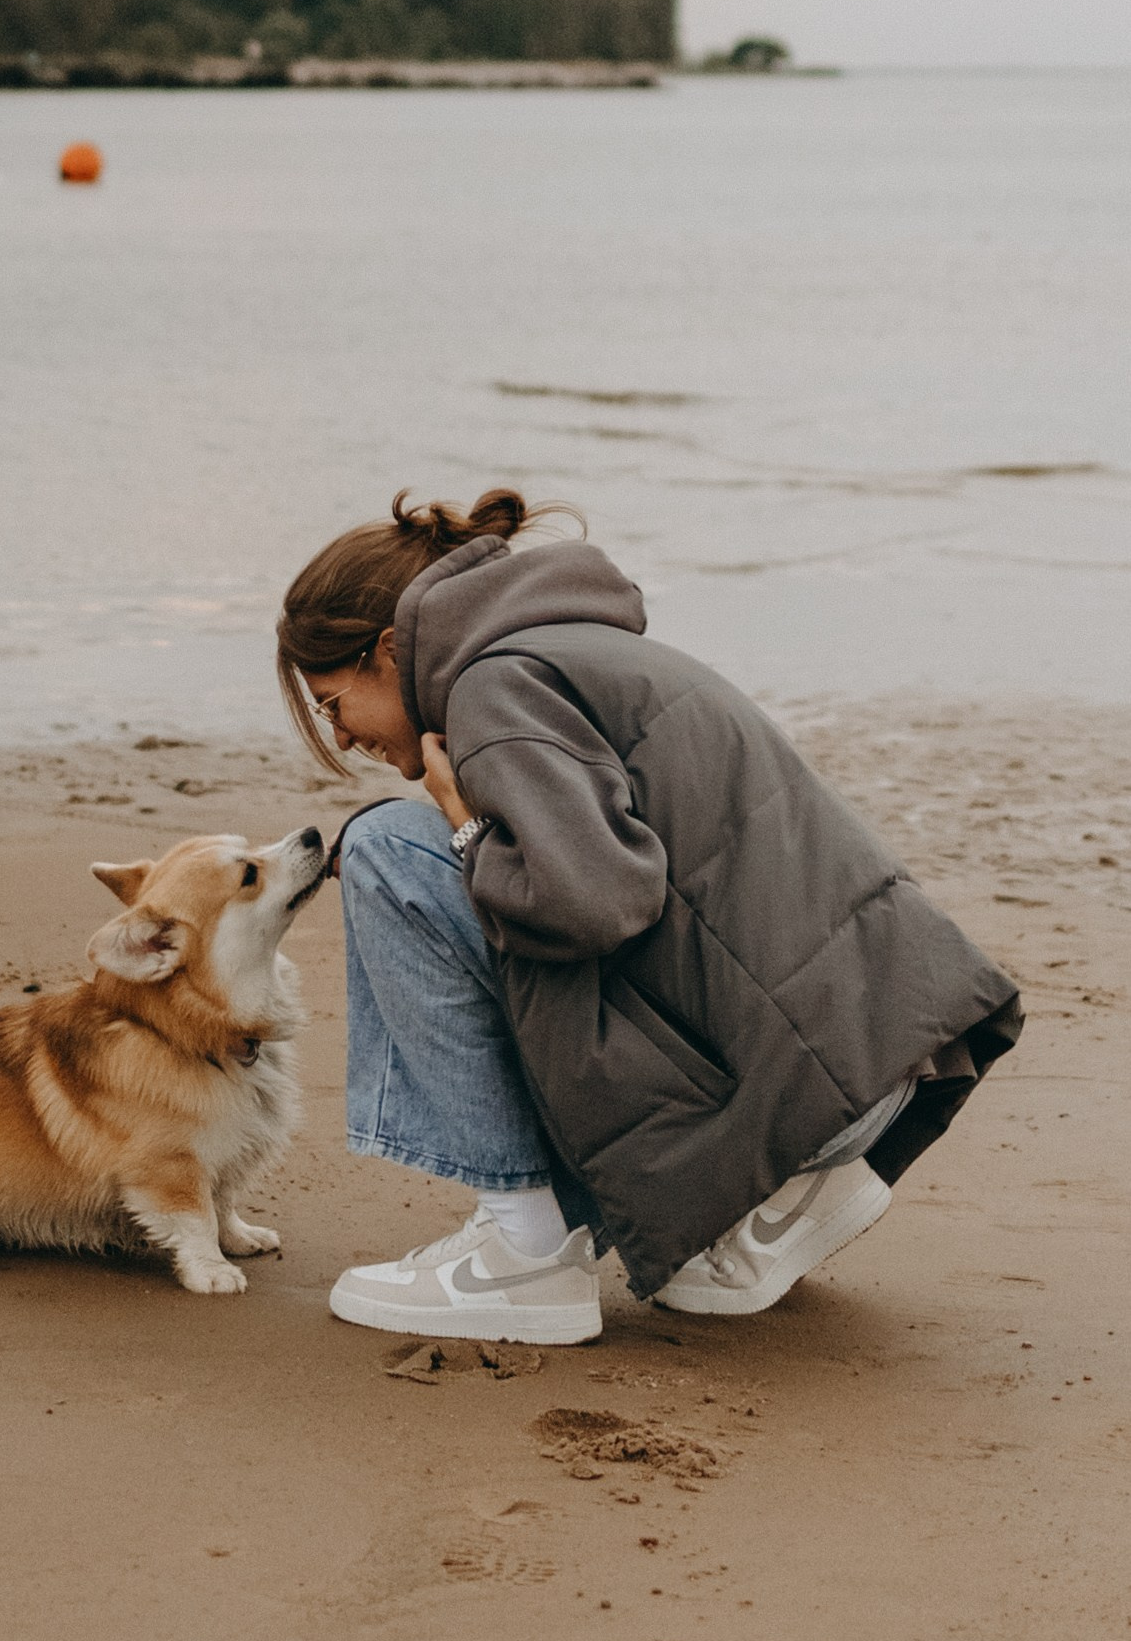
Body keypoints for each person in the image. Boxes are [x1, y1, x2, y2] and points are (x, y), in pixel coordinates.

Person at [277, 491, 1021, 1344]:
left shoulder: (491, 688)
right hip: (872, 1055)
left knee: (383, 848)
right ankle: (768, 1198)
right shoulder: (567, 646)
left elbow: (593, 900)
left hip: (804, 1092)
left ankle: (524, 1250)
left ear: (386, 649)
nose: (340, 738)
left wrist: (466, 828)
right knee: (428, 850)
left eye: (332, 703)